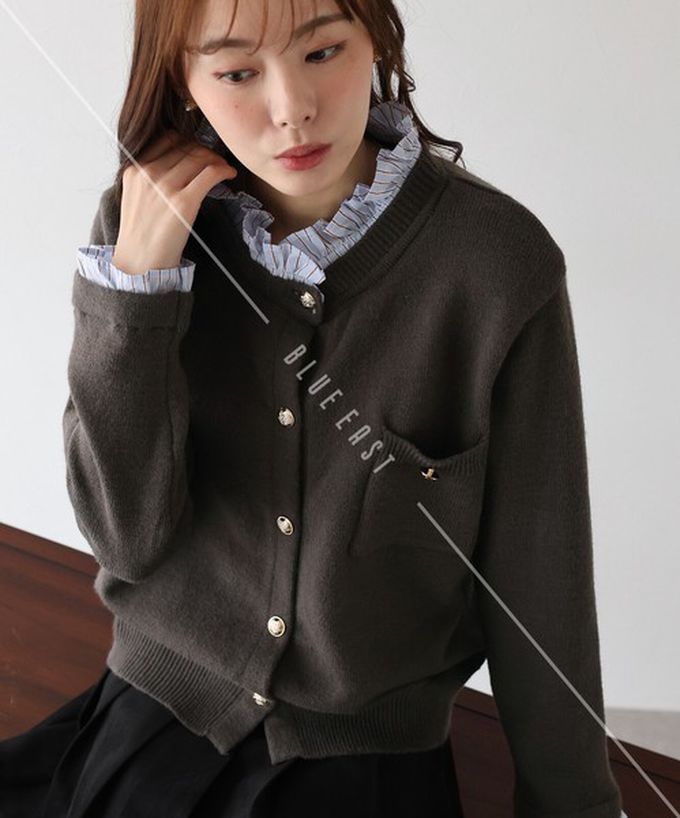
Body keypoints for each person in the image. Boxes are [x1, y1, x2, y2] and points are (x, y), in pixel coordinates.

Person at [0, 0, 627, 816]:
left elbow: (541, 581)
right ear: (182, 81)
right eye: (236, 72)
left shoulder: (499, 265)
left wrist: (574, 803)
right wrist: (137, 291)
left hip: (366, 762)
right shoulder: (145, 223)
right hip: (157, 719)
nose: (291, 107)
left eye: (323, 51)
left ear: (378, 38)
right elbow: (126, 538)